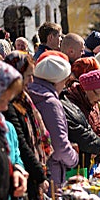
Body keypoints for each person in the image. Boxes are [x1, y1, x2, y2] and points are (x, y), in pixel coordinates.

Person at [3, 52, 52, 200]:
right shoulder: (9, 105)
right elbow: (22, 145)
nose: (31, 81)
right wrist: (40, 174)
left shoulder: (24, 99)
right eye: (28, 76)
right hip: (22, 182)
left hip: (27, 174)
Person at [28, 52, 79, 186]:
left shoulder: (28, 93)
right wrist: (74, 158)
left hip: (34, 170)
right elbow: (59, 145)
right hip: (50, 174)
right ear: (59, 80)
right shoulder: (50, 103)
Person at [0, 61, 28, 200]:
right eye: (3, 99)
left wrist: (16, 171)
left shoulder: (3, 126)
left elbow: (10, 157)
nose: (5, 106)